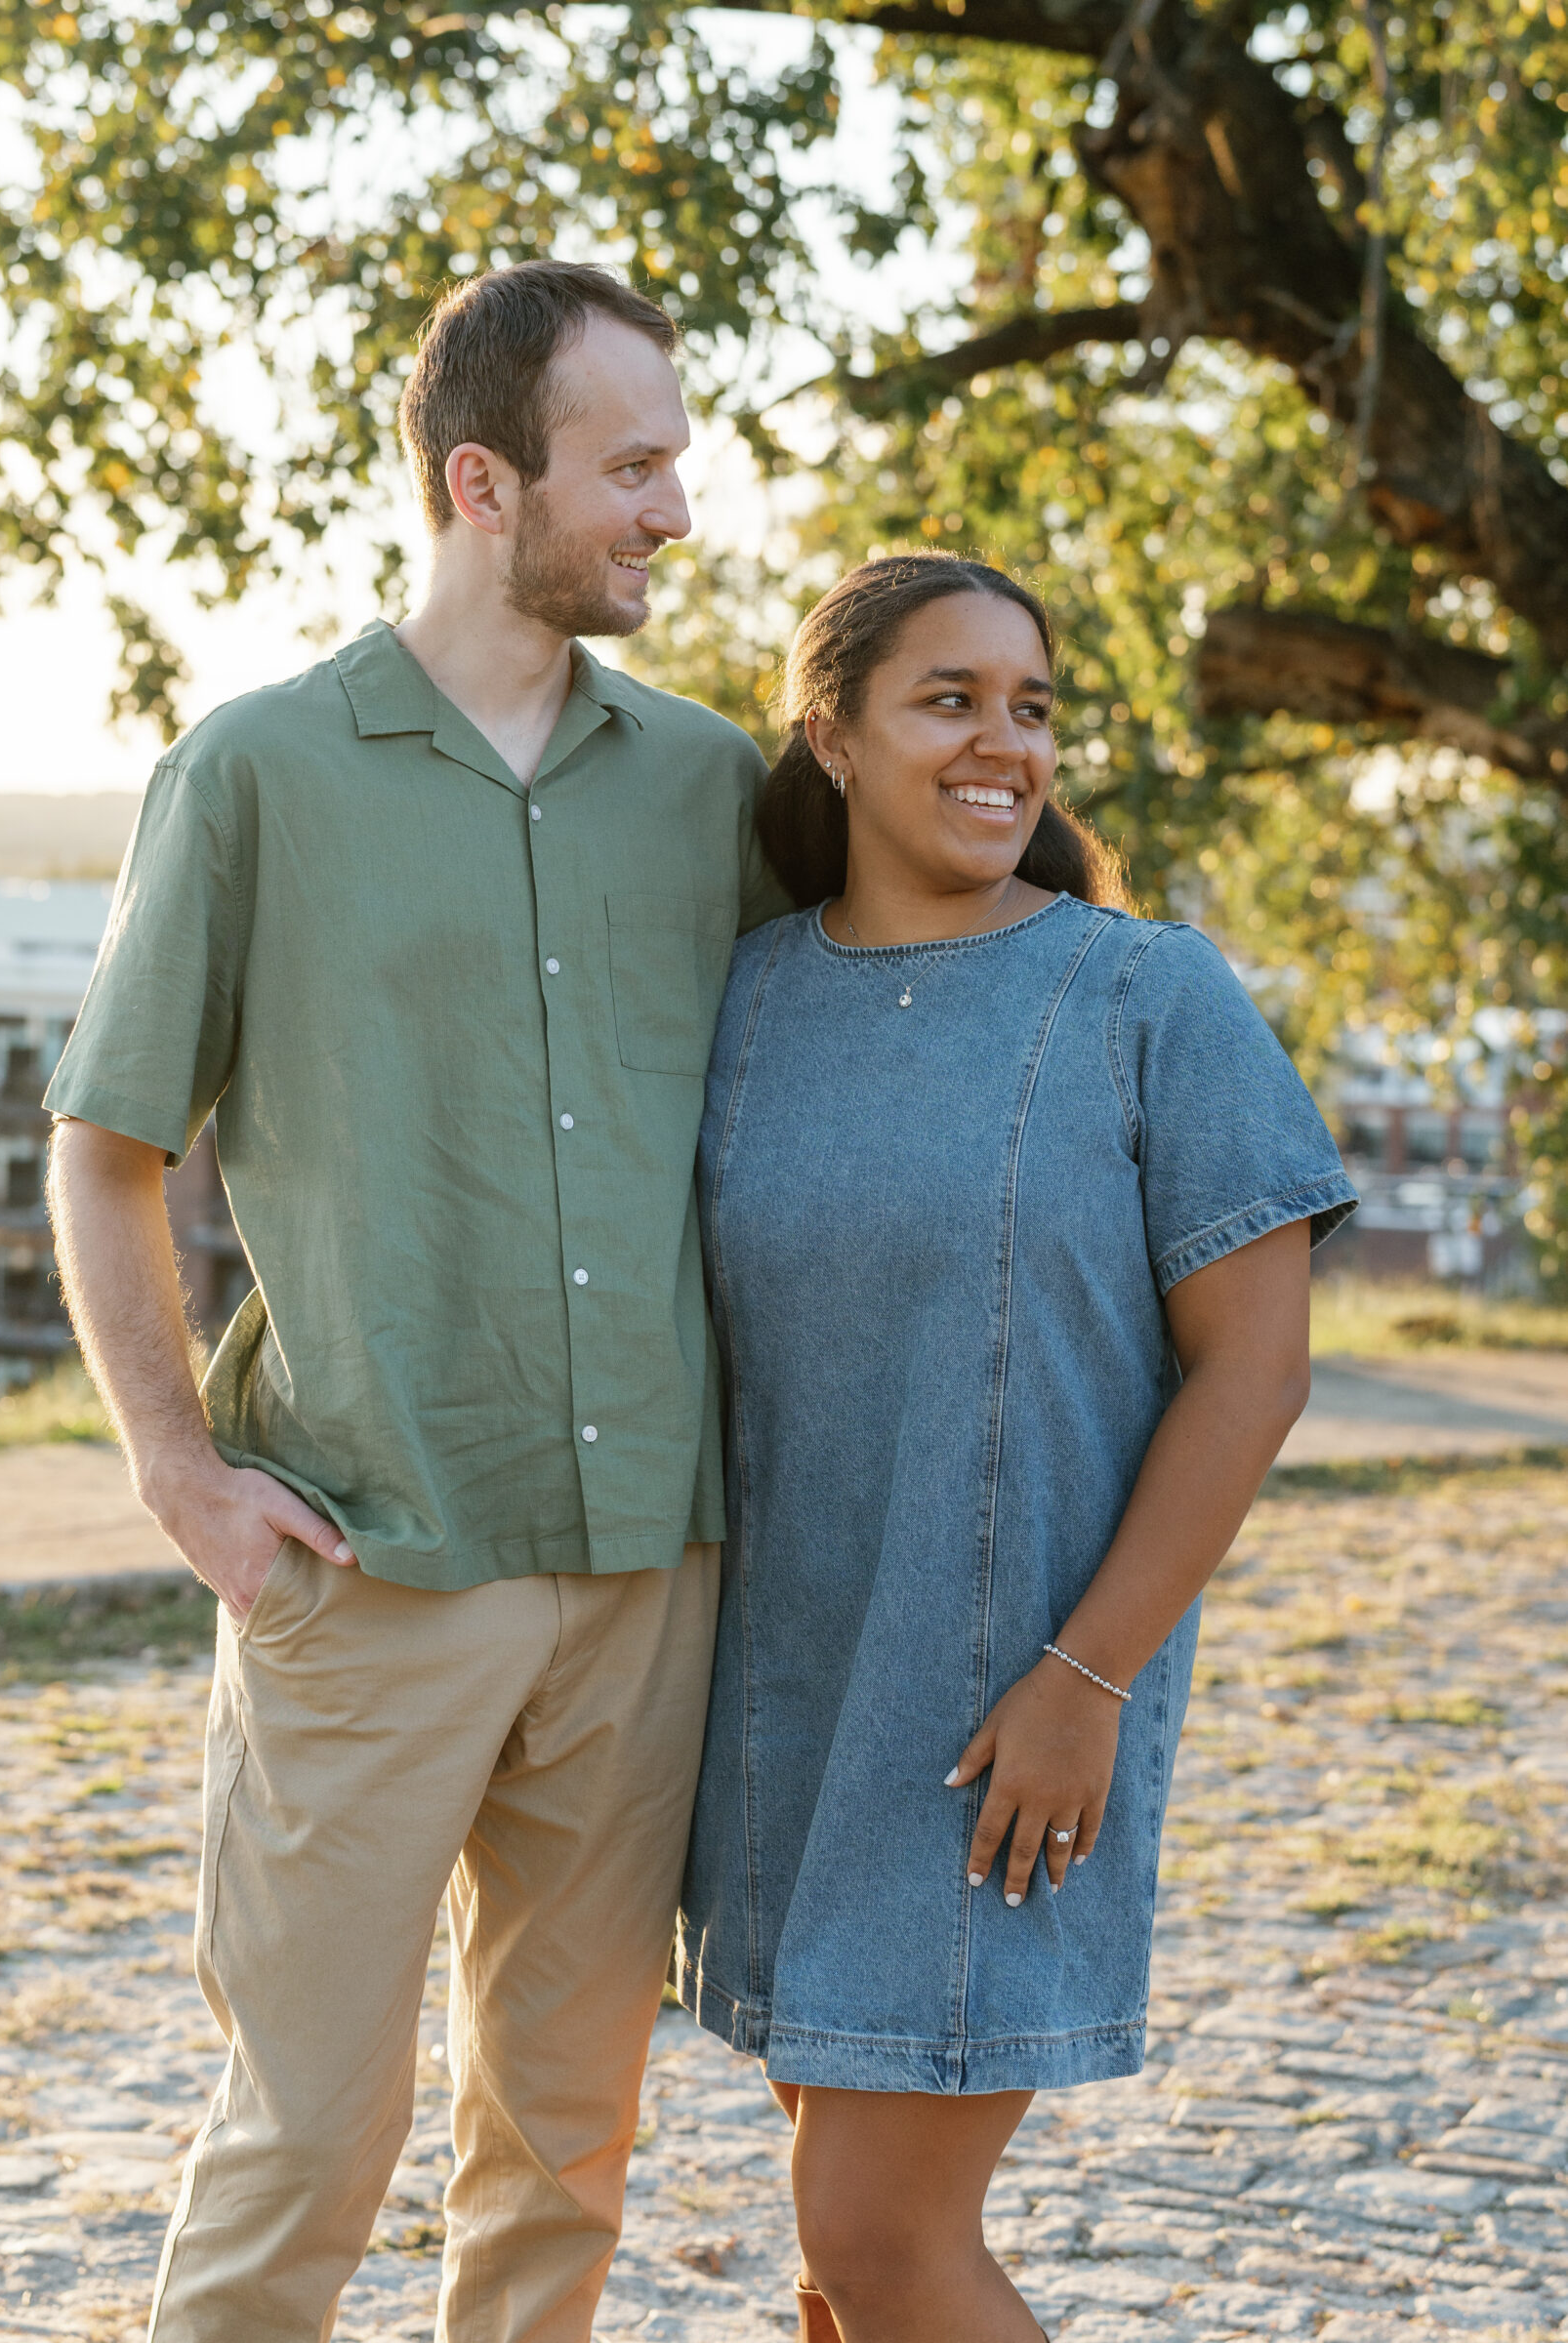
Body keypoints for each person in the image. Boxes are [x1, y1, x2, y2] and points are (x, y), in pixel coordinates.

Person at [44, 260, 787, 2343]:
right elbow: (99, 1151)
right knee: (303, 2140)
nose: (671, 511)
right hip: (368, 1561)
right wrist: (181, 1474)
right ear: (485, 481)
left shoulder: (711, 784)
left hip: (651, 1561)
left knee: (565, 2138)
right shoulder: (259, 771)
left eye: (676, 465)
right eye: (629, 466)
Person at [675, 552, 1358, 2343]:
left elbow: (1255, 1372)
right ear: (829, 734)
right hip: (774, 1726)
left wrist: (1085, 1676)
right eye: (949, 698)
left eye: (1033, 706)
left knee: (885, 2241)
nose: (1005, 743)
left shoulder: (1150, 997)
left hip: (1007, 1727)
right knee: (840, 2262)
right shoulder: (742, 1001)